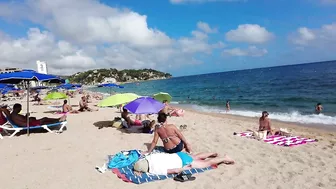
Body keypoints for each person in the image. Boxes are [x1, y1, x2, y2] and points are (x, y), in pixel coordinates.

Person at [134, 152, 234, 175]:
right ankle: (213, 153)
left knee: (206, 163)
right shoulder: (149, 157)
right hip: (178, 155)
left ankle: (225, 158)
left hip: (182, 162)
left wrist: (184, 168)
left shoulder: (154, 169)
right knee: (195, 157)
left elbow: (175, 170)